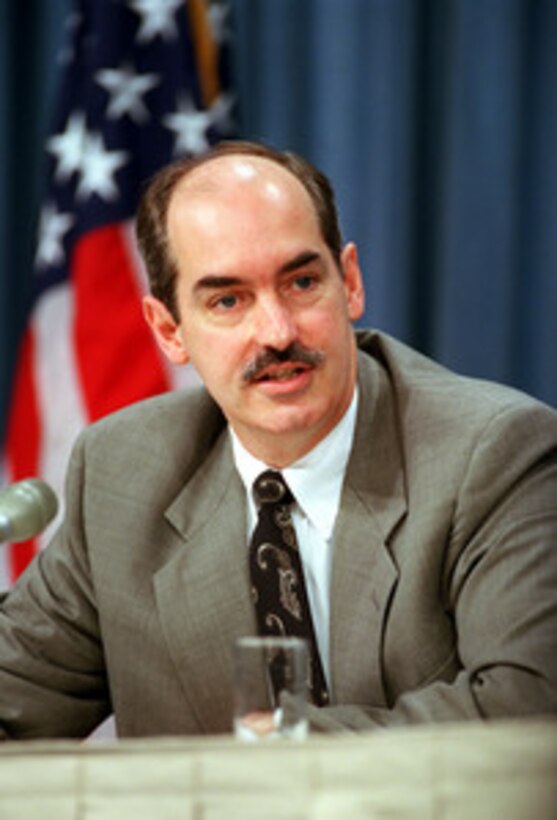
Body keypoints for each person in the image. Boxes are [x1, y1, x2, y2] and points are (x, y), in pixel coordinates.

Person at [0, 141, 556, 739]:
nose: (276, 332)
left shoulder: (494, 453)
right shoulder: (124, 475)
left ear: (349, 282)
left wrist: (283, 749)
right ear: (168, 330)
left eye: (301, 282)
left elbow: (527, 706)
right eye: (228, 300)